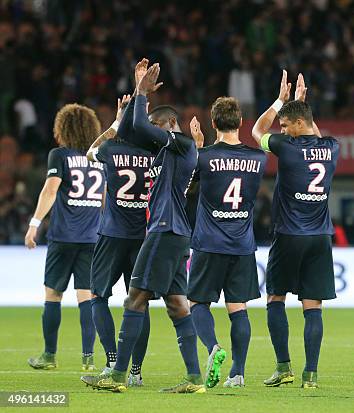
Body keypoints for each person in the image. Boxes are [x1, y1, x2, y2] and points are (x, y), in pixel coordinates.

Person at [81, 63, 205, 393]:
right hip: (178, 234)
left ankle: (118, 375)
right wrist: (134, 103)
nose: (148, 132)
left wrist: (141, 93)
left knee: (135, 299)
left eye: (154, 127)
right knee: (177, 305)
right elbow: (135, 128)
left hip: (163, 230)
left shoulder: (177, 143)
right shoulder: (179, 148)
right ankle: (194, 378)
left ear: (166, 125)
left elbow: (137, 125)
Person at [251, 72, 338, 389]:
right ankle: (311, 375)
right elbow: (312, 128)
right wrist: (301, 105)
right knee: (312, 306)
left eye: (286, 125)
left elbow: (257, 130)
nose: (282, 130)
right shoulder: (332, 147)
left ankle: (284, 367)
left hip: (289, 235)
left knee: (275, 297)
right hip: (320, 237)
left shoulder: (285, 147)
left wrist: (280, 101)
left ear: (296, 126)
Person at [85, 59, 156, 386]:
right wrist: (141, 99)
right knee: (139, 303)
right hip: (143, 237)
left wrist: (115, 122)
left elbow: (89, 153)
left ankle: (112, 359)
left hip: (111, 233)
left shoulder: (111, 149)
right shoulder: (157, 151)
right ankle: (137, 372)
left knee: (98, 296)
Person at [188, 97, 267, 389]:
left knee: (197, 302)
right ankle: (238, 372)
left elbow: (189, 184)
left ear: (212, 123)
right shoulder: (258, 158)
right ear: (241, 122)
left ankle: (213, 348)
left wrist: (197, 146)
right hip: (242, 244)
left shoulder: (204, 156)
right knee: (238, 308)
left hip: (209, 242)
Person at [25, 103, 104, 372]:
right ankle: (88, 359)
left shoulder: (59, 155)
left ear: (63, 128)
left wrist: (34, 223)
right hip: (92, 237)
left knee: (53, 295)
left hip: (63, 236)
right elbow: (105, 199)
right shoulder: (99, 157)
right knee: (86, 297)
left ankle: (49, 356)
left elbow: (50, 190)